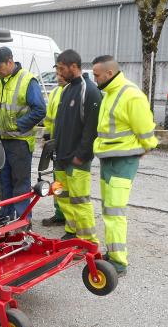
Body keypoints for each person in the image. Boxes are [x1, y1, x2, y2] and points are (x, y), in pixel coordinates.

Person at [92, 55, 158, 276]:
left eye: (97, 75)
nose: (95, 79)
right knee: (109, 210)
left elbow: (146, 129)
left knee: (115, 212)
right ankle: (112, 252)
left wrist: (145, 148)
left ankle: (119, 262)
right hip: (109, 159)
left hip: (122, 161)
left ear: (109, 74)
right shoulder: (110, 93)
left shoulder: (131, 95)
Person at [0, 46, 46, 225]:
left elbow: (40, 109)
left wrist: (17, 125)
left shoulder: (28, 80)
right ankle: (6, 212)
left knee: (20, 182)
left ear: (10, 62)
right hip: (2, 140)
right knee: (3, 180)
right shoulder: (0, 80)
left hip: (19, 141)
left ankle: (23, 219)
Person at [53, 49, 102, 243]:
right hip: (62, 157)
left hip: (77, 159)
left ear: (74, 67)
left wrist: (81, 155)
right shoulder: (67, 89)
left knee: (80, 201)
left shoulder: (88, 90)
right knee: (63, 197)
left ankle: (88, 241)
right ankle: (71, 231)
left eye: (62, 68)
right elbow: (61, 123)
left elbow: (92, 129)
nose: (59, 72)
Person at [41, 70, 67, 227]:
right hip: (57, 144)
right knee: (58, 181)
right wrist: (48, 138)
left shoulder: (77, 91)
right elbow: (49, 119)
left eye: (61, 74)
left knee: (71, 184)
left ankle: (72, 216)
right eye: (57, 74)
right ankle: (60, 214)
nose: (58, 77)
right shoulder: (56, 92)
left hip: (70, 145)